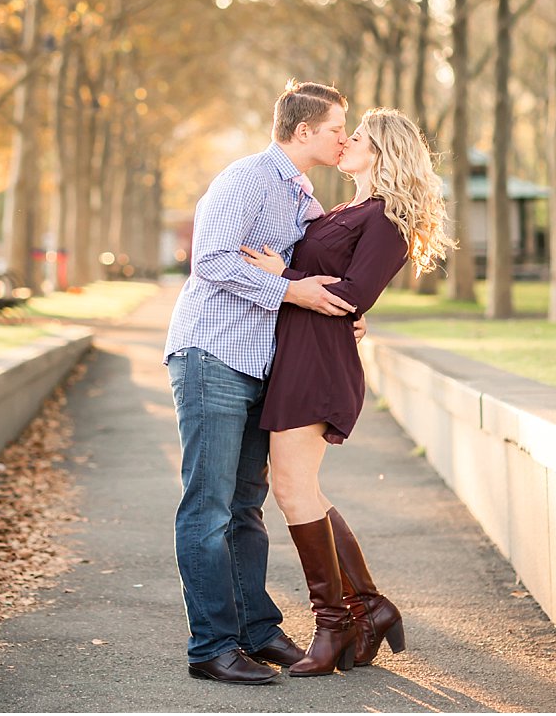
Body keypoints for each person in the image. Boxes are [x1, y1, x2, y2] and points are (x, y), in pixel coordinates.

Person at [164, 81, 365, 685]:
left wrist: (345, 313)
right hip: (212, 354)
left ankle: (256, 630)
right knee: (210, 507)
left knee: (247, 506)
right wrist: (294, 291)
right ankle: (212, 647)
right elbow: (213, 261)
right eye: (336, 129)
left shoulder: (301, 194)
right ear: (303, 131)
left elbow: (312, 273)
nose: (344, 139)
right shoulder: (246, 178)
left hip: (262, 366)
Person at [242, 107, 452, 676]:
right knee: (298, 488)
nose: (345, 142)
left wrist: (278, 278)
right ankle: (366, 607)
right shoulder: (348, 209)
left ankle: (334, 624)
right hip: (301, 352)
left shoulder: (386, 218)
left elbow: (355, 293)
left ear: (381, 151)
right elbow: (335, 286)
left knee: (292, 487)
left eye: (354, 137)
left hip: (320, 362)